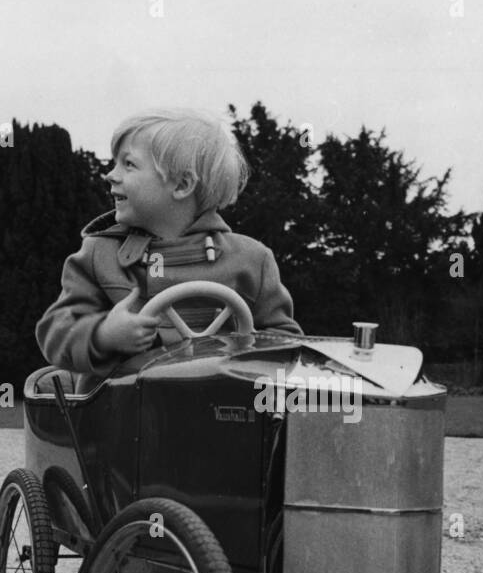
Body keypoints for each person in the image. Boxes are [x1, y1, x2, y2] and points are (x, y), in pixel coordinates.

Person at [36, 109, 301, 388]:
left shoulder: (251, 260)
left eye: (128, 164)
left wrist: (247, 348)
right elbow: (57, 332)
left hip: (221, 420)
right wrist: (104, 336)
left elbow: (286, 343)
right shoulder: (98, 255)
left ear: (182, 185)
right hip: (117, 419)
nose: (110, 175)